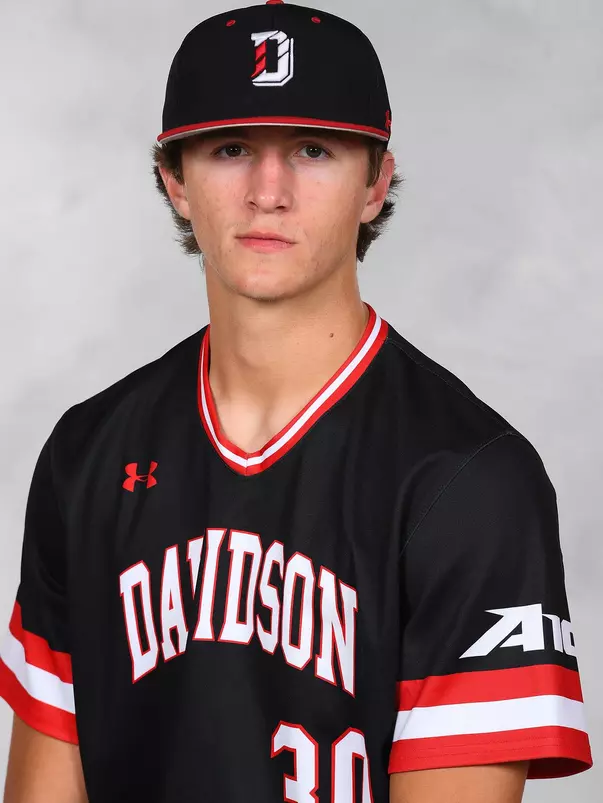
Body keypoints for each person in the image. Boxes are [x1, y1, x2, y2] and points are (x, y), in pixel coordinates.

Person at [0, 1, 593, 801]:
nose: (267, 191)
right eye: (231, 148)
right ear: (174, 178)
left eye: (312, 150)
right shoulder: (88, 452)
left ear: (374, 182)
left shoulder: (472, 480)